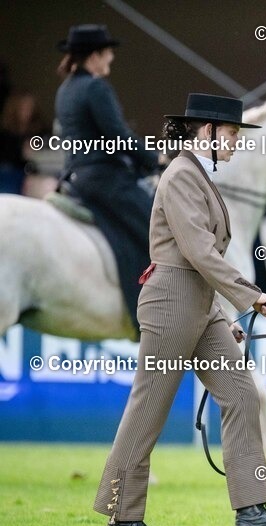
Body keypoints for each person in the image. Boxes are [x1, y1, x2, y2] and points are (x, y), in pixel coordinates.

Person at [92, 93, 266, 526]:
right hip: (171, 304)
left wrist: (222, 314)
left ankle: (252, 513)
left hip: (200, 304)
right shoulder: (181, 176)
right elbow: (198, 251)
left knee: (242, 395)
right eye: (231, 133)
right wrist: (250, 295)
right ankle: (121, 516)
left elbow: (200, 262)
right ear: (208, 131)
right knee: (148, 408)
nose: (236, 142)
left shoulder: (197, 175)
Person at [55, 25, 159, 336]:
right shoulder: (96, 88)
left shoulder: (66, 89)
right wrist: (154, 159)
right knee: (162, 232)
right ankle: (152, 310)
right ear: (95, 56)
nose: (111, 58)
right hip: (104, 179)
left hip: (75, 178)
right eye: (108, 53)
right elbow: (118, 136)